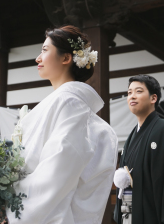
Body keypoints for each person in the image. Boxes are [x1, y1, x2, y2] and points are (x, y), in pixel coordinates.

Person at [7, 25, 118, 224]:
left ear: (66, 58)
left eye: (44, 50)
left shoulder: (69, 103)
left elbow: (55, 175)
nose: (37, 58)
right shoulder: (63, 102)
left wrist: (9, 205)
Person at [114, 75, 164, 224]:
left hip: (154, 217)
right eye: (129, 93)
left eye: (138, 91)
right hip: (130, 214)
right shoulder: (131, 137)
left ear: (153, 98)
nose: (132, 96)